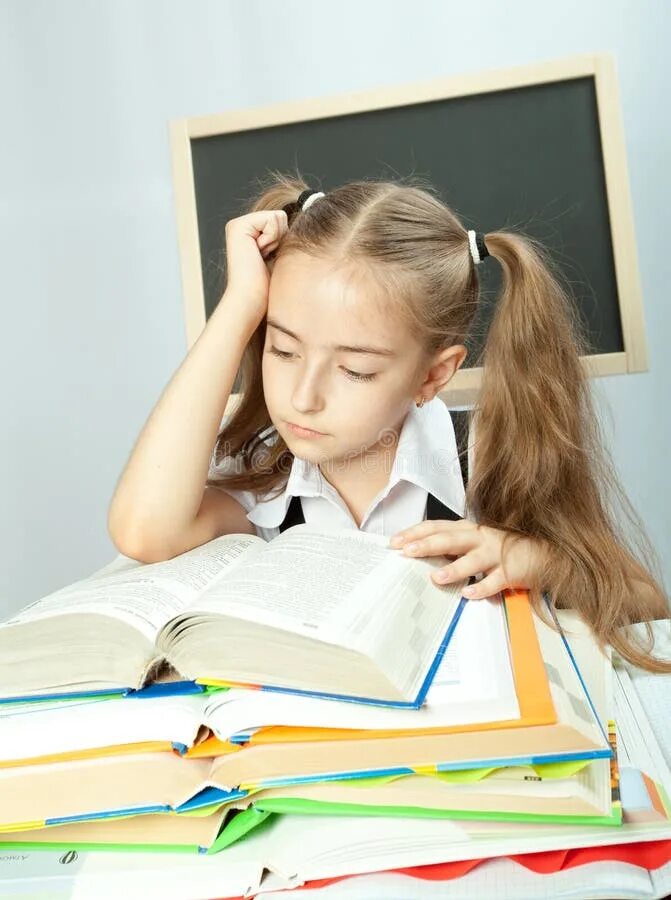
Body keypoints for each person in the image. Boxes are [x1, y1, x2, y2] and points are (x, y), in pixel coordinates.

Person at [108, 172, 670, 672]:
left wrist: (542, 561)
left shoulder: (485, 454)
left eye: (354, 371)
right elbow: (142, 530)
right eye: (282, 350)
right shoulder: (264, 476)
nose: (303, 398)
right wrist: (239, 308)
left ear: (433, 376)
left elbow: (645, 600)